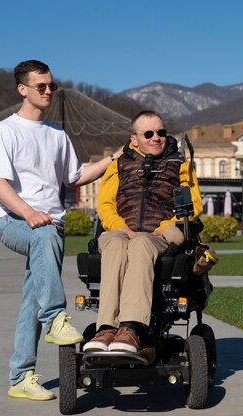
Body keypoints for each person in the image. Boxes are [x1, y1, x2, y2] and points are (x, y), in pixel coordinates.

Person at [0, 60, 122, 401]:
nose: (48, 91)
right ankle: (56, 318)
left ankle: (21, 377)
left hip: (49, 228)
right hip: (15, 222)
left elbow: (74, 177)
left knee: (33, 296)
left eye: (51, 86)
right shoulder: (5, 131)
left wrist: (113, 159)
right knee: (43, 245)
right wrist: (29, 212)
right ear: (23, 89)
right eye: (41, 86)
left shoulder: (58, 135)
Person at [82, 110, 202, 354]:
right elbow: (105, 205)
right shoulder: (118, 165)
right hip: (121, 229)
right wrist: (121, 227)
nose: (156, 137)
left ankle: (131, 328)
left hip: (162, 232)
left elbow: (194, 206)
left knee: (140, 244)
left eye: (161, 132)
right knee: (115, 243)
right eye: (148, 133)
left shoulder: (181, 164)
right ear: (134, 139)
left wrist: (160, 228)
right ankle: (106, 327)